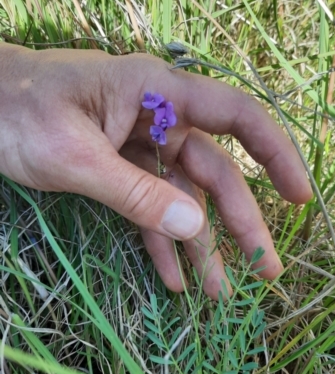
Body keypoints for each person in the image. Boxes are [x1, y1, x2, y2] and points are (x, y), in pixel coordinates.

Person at [0, 42, 312, 300]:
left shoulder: (158, 119)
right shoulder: (155, 118)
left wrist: (13, 71)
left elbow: (160, 120)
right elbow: (157, 121)